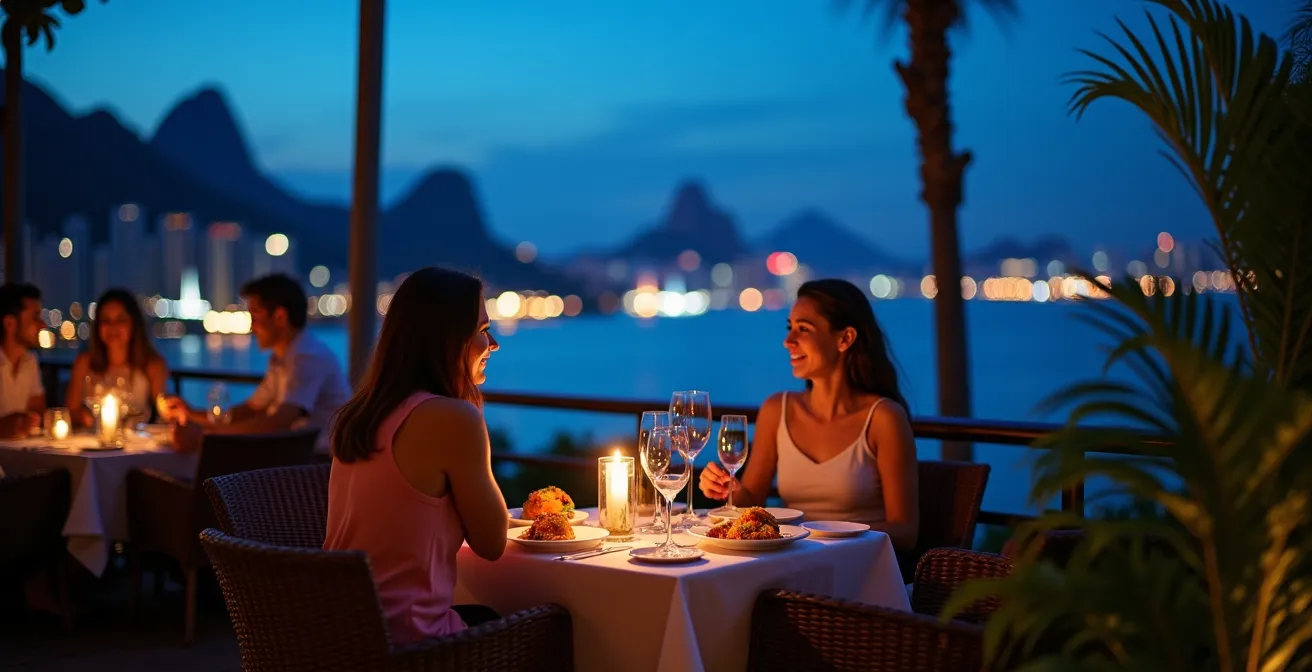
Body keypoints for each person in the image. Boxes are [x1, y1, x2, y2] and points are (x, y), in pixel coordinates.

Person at [324, 266, 507, 643]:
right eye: (482, 331)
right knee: (556, 625)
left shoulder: (361, 414)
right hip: (409, 643)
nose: (494, 344)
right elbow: (492, 543)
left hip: (340, 634)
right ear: (446, 340)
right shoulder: (452, 418)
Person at [699, 278, 920, 549]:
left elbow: (905, 530)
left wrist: (821, 534)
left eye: (803, 329)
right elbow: (752, 502)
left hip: (857, 568)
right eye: (789, 327)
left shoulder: (883, 418)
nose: (788, 341)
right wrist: (732, 492)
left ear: (844, 338)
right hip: (793, 564)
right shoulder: (777, 410)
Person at [161, 274, 350, 454]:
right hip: (295, 457)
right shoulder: (281, 359)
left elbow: (281, 420)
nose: (251, 327)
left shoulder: (308, 357)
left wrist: (206, 436)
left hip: (319, 465)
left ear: (280, 317)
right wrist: (191, 413)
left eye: (255, 317)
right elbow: (252, 409)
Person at [65, 288, 170, 427]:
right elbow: (69, 413)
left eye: (121, 320)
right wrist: (83, 418)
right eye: (106, 320)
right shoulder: (84, 363)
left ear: (133, 324)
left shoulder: (151, 365)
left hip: (137, 444)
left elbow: (164, 416)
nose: (112, 327)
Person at [0, 283, 46, 438]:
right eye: (35, 317)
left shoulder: (30, 361)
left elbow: (37, 410)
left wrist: (30, 420)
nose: (42, 325)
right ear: (9, 323)